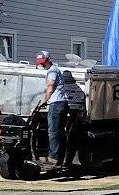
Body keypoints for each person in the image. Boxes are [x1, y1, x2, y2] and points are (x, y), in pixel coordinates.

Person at [35, 50, 86, 178]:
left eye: (43, 62)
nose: (42, 64)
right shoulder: (53, 70)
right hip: (59, 103)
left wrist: (43, 101)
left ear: (49, 59)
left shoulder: (52, 71)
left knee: (54, 131)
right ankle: (59, 158)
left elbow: (51, 87)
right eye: (40, 62)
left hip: (57, 104)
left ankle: (54, 158)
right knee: (58, 132)